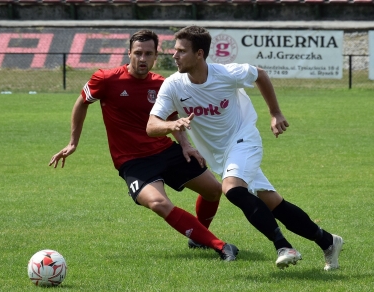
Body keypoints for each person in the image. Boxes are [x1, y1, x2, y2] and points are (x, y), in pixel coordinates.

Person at [146, 25, 343, 270]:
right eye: (174, 50)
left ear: (199, 54)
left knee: (232, 189)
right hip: (220, 155)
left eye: (181, 51)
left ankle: (283, 246)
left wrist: (275, 113)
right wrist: (173, 123)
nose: (174, 55)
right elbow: (151, 125)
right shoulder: (173, 85)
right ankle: (328, 241)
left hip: (244, 139)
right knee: (273, 203)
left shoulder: (227, 73)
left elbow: (259, 74)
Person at [48, 29, 239, 261]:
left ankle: (197, 235)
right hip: (133, 162)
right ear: (128, 53)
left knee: (213, 190)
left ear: (156, 56)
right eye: (138, 53)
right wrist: (73, 142)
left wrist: (186, 145)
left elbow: (171, 119)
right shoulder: (106, 79)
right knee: (159, 203)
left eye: (149, 54)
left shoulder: (162, 84)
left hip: (165, 151)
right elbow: (82, 102)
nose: (143, 59)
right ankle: (220, 246)